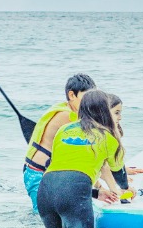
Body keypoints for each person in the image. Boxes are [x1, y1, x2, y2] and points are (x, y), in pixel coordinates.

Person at [35, 90, 122, 228]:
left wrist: (95, 193)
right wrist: (125, 189)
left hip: (45, 190)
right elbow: (118, 172)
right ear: (105, 111)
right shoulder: (108, 137)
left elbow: (61, 174)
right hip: (73, 191)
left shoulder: (63, 130)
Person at [21, 74, 96, 210]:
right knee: (46, 218)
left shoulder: (64, 109)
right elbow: (89, 152)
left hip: (43, 174)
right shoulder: (67, 116)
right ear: (72, 95)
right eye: (86, 97)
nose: (90, 103)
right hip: (39, 175)